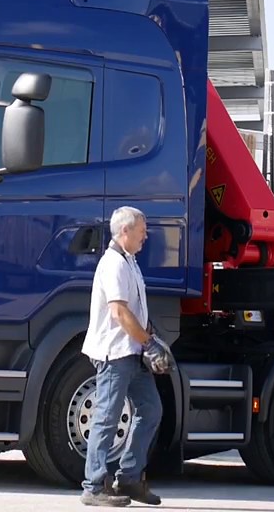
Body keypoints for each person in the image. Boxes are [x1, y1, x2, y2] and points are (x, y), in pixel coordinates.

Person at [80, 206, 173, 507]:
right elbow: (119, 312)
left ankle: (129, 479)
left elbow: (134, 308)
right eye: (142, 230)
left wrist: (150, 336)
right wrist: (149, 343)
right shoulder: (114, 264)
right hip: (115, 354)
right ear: (125, 231)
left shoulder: (129, 261)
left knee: (151, 409)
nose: (146, 235)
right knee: (106, 419)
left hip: (131, 352)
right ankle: (93, 487)